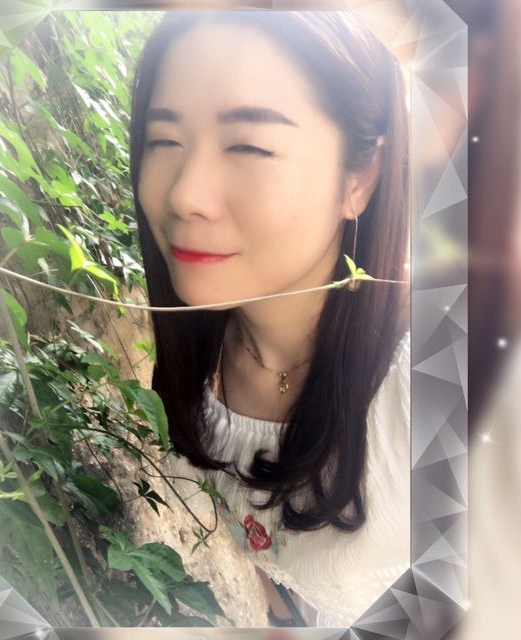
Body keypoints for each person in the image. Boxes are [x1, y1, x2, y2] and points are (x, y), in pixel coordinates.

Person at [128, 10, 410, 628]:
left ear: (360, 177)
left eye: (249, 146)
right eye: (164, 141)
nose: (184, 195)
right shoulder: (201, 356)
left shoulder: (439, 381)